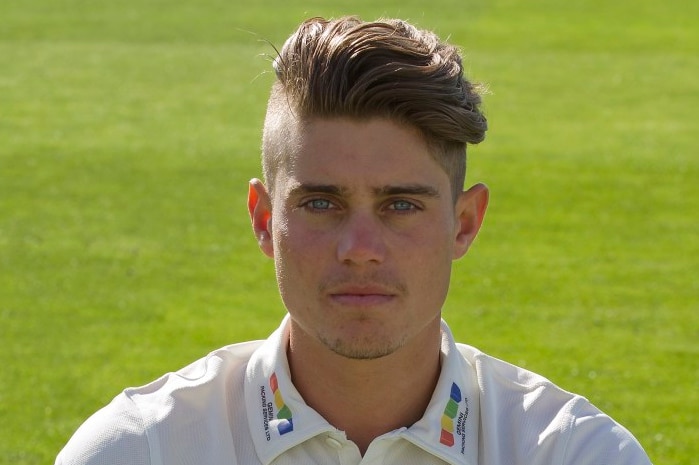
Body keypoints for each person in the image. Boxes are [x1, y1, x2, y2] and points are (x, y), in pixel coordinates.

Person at [56, 16, 652, 465]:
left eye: (400, 205)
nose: (359, 247)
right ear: (263, 219)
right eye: (321, 203)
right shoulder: (138, 450)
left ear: (464, 223)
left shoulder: (577, 453)